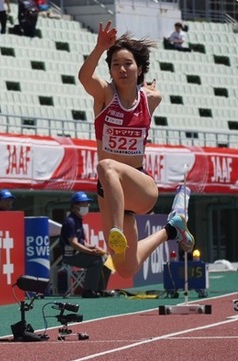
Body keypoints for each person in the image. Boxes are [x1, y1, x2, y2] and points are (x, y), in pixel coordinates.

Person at [77, 21, 194, 278]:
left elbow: (155, 93)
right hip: (108, 193)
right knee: (125, 270)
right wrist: (99, 48)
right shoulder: (104, 95)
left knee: (106, 165)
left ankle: (116, 230)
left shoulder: (150, 99)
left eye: (127, 63)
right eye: (115, 64)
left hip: (140, 188)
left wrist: (147, 88)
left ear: (138, 69)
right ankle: (171, 230)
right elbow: (84, 78)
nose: (121, 68)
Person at [58, 192, 112, 298]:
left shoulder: (78, 220)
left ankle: (100, 290)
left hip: (78, 254)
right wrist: (91, 252)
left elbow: (82, 242)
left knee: (107, 259)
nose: (86, 206)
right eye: (83, 204)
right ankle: (88, 290)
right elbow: (74, 244)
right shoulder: (70, 222)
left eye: (87, 204)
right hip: (71, 256)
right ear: (75, 206)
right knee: (96, 260)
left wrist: (95, 248)